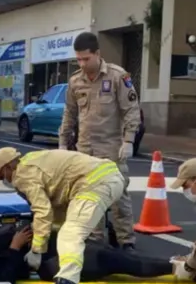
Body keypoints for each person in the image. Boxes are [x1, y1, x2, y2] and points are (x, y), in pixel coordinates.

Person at [0, 147, 126, 284]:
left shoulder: (22, 175)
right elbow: (55, 208)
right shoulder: (32, 160)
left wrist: (37, 250)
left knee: (70, 234)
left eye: (1, 175)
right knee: (65, 231)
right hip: (101, 178)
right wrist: (48, 234)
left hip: (94, 184)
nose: (5, 180)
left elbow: (43, 211)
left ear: (8, 167)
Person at [59, 31, 141, 250]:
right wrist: (63, 143)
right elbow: (69, 113)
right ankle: (95, 240)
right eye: (78, 59)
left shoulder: (117, 77)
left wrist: (129, 141)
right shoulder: (75, 81)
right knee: (88, 196)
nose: (82, 63)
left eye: (86, 58)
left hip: (111, 148)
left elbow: (131, 110)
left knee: (118, 196)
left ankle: (126, 241)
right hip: (85, 149)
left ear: (97, 54)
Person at [0, 221, 176, 284]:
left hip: (54, 246)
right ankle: (175, 267)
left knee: (117, 257)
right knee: (119, 261)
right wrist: (15, 245)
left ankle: (176, 264)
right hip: (52, 261)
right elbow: (3, 277)